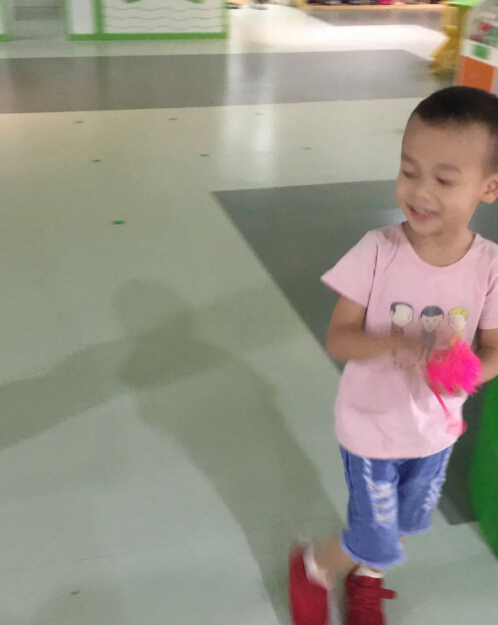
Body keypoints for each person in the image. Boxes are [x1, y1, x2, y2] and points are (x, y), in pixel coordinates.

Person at [289, 86, 498, 625]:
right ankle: (313, 566)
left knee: (404, 522)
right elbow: (340, 340)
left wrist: (467, 372)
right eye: (409, 171)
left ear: (489, 186)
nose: (420, 191)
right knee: (374, 531)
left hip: (435, 434)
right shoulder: (377, 250)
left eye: (444, 180)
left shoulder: (490, 267)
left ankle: (368, 576)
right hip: (372, 427)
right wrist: (399, 343)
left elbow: (495, 350)